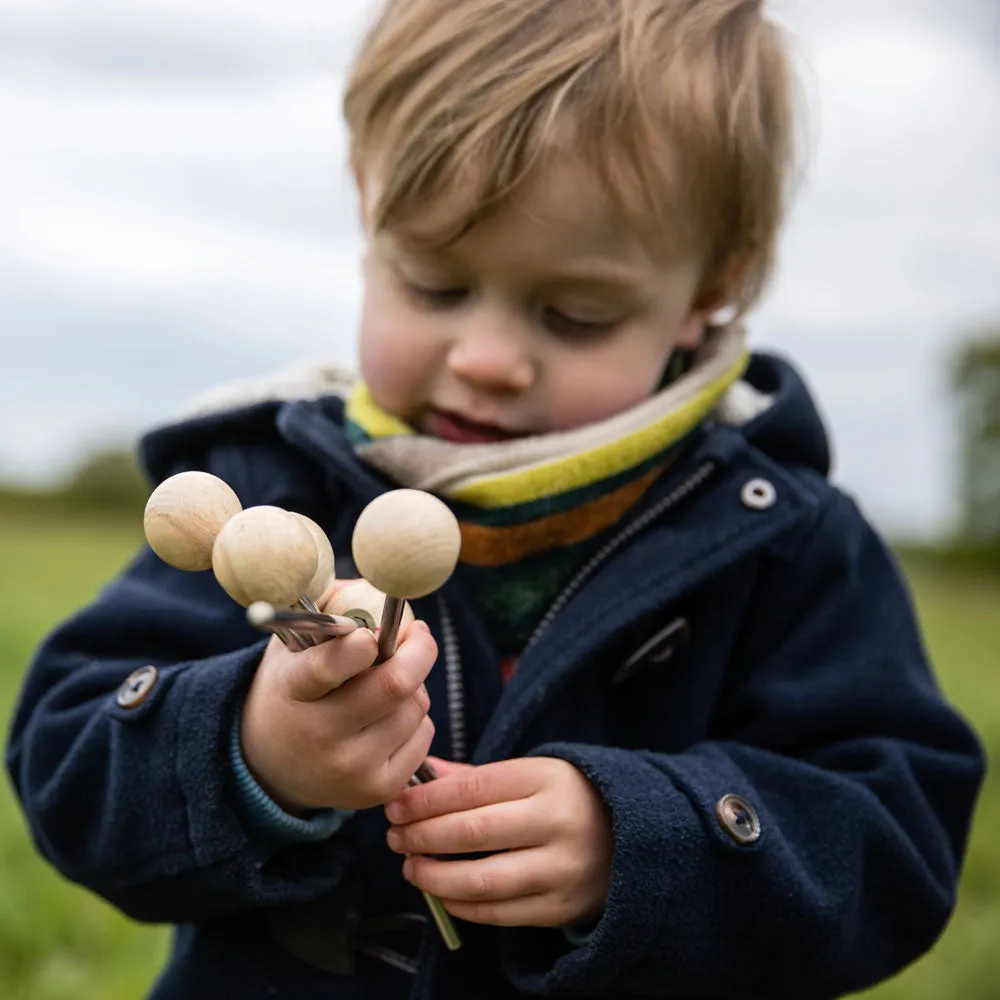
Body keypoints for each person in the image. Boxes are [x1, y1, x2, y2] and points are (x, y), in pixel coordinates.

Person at [6, 1, 984, 998]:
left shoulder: (782, 538)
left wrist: (642, 840)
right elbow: (65, 767)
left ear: (711, 289)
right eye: (433, 285)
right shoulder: (271, 487)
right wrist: (254, 750)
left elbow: (893, 845)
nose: (484, 360)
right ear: (367, 203)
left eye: (574, 313)